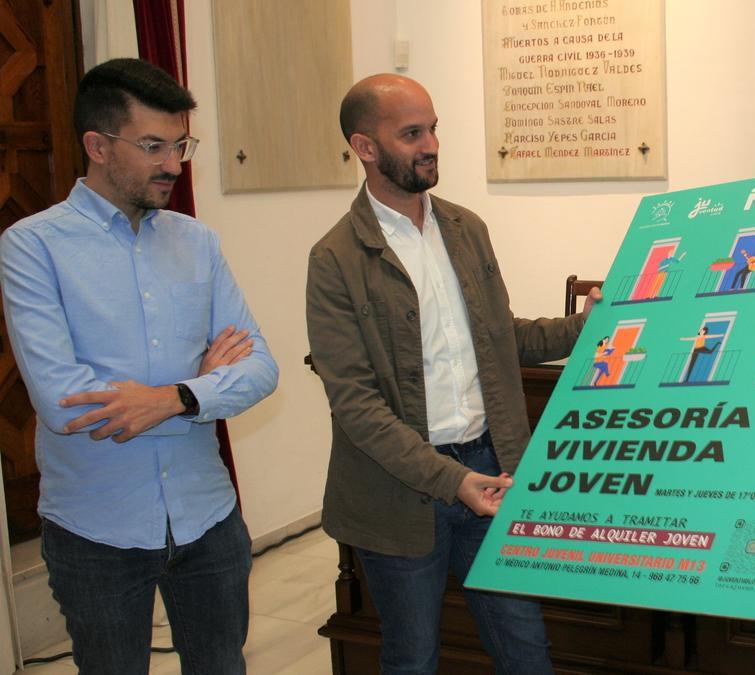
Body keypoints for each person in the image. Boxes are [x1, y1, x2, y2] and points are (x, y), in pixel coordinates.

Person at [306, 74, 600, 675]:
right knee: (412, 656)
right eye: (411, 133)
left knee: (526, 650)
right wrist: (451, 480)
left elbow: (502, 339)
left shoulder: (466, 229)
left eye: (434, 128)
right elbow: (356, 406)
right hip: (400, 492)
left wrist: (587, 326)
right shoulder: (334, 258)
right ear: (366, 147)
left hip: (494, 468)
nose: (431, 144)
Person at [0, 58, 279, 673]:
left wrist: (172, 397)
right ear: (97, 146)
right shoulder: (32, 245)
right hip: (96, 529)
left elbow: (261, 368)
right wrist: (205, 386)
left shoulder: (196, 241)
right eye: (153, 146)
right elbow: (61, 400)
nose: (173, 165)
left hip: (208, 516)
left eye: (180, 145)